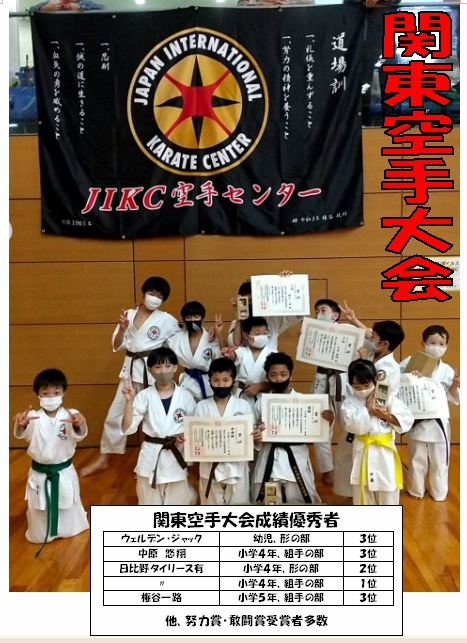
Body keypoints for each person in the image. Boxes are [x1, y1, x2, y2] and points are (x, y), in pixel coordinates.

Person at [81, 276, 179, 477]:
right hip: (129, 372)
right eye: (151, 293)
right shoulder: (128, 314)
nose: (154, 298)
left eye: (159, 296)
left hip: (152, 374)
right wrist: (123, 328)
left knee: (153, 419)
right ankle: (103, 459)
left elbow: (180, 339)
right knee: (115, 416)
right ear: (143, 293)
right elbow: (116, 344)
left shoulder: (166, 320)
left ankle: (149, 462)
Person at [13, 368, 89, 550]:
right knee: (41, 511)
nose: (51, 397)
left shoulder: (71, 415)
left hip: (63, 471)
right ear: (37, 394)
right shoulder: (32, 417)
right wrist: (21, 425)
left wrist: (79, 424)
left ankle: (68, 529)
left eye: (56, 392)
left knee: (67, 504)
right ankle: (43, 532)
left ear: (64, 392)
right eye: (45, 393)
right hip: (40, 473)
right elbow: (22, 433)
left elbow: (79, 434)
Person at [333, 317, 404, 499]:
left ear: (384, 343)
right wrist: (354, 320)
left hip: (375, 420)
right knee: (347, 458)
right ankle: (354, 496)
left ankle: (364, 497)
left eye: (374, 337)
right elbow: (369, 333)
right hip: (360, 414)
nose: (370, 338)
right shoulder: (378, 353)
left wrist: (364, 362)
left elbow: (378, 397)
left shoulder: (388, 367)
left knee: (373, 469)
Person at [121, 347, 197, 505]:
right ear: (150, 370)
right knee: (149, 504)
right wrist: (129, 401)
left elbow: (193, 428)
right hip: (151, 455)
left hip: (176, 454)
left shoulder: (185, 396)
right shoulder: (143, 396)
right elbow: (128, 428)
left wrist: (185, 436)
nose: (163, 371)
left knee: (179, 504)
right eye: (158, 367)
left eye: (168, 366)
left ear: (175, 367)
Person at [252, 352, 324, 504]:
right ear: (267, 377)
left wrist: (326, 420)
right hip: (269, 458)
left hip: (297, 457)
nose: (278, 379)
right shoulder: (260, 402)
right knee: (270, 502)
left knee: (299, 500)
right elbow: (253, 436)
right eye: (273, 375)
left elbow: (316, 430)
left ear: (291, 375)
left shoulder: (304, 402)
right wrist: (257, 433)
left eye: (283, 374)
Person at [340, 359, 413, 505]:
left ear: (375, 379)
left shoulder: (386, 395)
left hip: (384, 453)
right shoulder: (350, 402)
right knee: (363, 493)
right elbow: (351, 425)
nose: (362, 390)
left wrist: (386, 416)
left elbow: (407, 420)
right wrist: (366, 409)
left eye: (366, 385)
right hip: (363, 451)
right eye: (356, 387)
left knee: (388, 492)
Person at [400, 325, 460, 501]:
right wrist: (410, 376)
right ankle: (415, 489)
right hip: (418, 419)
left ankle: (439, 492)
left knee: (440, 460)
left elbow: (451, 396)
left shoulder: (447, 370)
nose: (437, 347)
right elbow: (397, 383)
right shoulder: (411, 362)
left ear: (446, 346)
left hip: (438, 421)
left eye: (441, 344)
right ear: (423, 343)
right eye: (432, 342)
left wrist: (455, 385)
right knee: (417, 457)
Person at [194, 358, 254, 505]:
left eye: (226, 380)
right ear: (209, 381)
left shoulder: (243, 405)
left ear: (233, 381)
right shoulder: (201, 406)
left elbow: (250, 436)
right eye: (216, 380)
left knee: (239, 509)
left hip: (237, 468)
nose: (221, 385)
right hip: (209, 468)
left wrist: (256, 435)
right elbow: (195, 438)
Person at [310, 298, 348, 486]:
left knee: (349, 426)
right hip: (321, 381)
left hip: (343, 382)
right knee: (321, 426)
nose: (319, 314)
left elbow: (368, 342)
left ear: (335, 315)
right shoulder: (313, 332)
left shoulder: (348, 332)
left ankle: (349, 466)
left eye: (323, 310)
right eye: (316, 311)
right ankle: (327, 469)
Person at [166, 301, 224, 402]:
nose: (192, 320)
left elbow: (223, 355)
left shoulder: (210, 337)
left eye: (196, 316)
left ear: (202, 318)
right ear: (184, 319)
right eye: (188, 317)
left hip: (207, 384)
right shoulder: (177, 338)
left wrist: (219, 334)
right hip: (187, 384)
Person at [223, 315, 275, 410]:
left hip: (264, 397)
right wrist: (228, 353)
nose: (261, 336)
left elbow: (277, 381)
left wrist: (259, 386)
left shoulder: (273, 354)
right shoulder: (241, 351)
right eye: (257, 333)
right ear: (246, 335)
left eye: (265, 333)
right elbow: (233, 355)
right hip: (241, 397)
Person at [29, 0, 106, 12]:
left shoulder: (85, 2)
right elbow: (31, 10)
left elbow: (104, 9)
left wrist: (80, 8)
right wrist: (44, 8)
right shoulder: (53, 2)